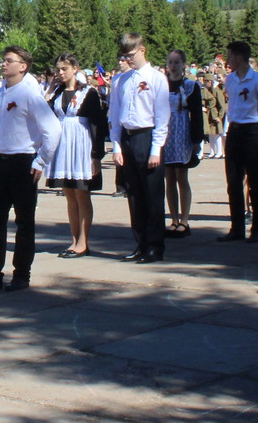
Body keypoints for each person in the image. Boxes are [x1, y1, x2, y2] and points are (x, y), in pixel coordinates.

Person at [0, 46, 61, 293]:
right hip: (1, 163)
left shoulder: (30, 95)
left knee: (24, 222)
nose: (3, 64)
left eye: (10, 60)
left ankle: (21, 274)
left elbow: (52, 130)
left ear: (23, 66)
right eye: (3, 60)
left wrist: (40, 161)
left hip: (23, 162)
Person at [110, 32, 173, 263]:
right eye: (124, 55)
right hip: (128, 137)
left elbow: (162, 116)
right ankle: (141, 242)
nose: (128, 60)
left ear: (142, 50)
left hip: (147, 137)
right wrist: (116, 145)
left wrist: (156, 148)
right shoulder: (121, 80)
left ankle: (155, 246)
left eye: (131, 55)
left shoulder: (156, 78)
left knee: (152, 195)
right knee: (134, 195)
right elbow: (115, 114)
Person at [46, 53, 104, 258]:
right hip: (63, 146)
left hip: (81, 145)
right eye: (58, 69)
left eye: (65, 69)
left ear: (75, 69)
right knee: (69, 194)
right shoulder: (57, 93)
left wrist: (96, 155)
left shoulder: (88, 93)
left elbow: (98, 124)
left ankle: (83, 241)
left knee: (81, 193)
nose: (61, 73)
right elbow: (43, 113)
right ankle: (73, 239)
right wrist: (50, 88)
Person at [221, 41, 258, 241]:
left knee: (255, 182)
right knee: (233, 182)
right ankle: (237, 228)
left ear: (239, 58)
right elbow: (231, 106)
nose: (228, 60)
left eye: (230, 56)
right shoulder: (230, 80)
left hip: (251, 130)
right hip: (234, 130)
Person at [162, 49, 204, 236]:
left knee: (181, 176)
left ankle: (185, 220)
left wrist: (197, 139)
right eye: (170, 62)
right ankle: (173, 219)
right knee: (169, 177)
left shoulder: (191, 86)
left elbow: (196, 115)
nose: (173, 66)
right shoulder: (162, 84)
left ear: (184, 64)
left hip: (182, 131)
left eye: (177, 62)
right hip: (166, 132)